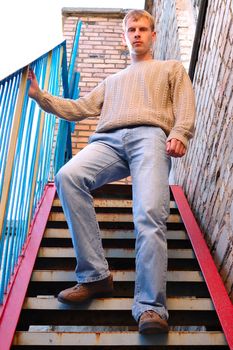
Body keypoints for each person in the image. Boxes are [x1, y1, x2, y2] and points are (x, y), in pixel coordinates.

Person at [28, 9, 195, 334]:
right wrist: (40, 97)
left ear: (153, 35)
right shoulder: (111, 81)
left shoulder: (170, 68)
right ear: (125, 36)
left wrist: (180, 132)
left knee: (148, 213)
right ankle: (94, 275)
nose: (136, 34)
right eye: (131, 29)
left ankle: (150, 308)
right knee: (68, 175)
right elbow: (80, 108)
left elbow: (185, 103)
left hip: (150, 136)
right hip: (107, 140)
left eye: (143, 29)